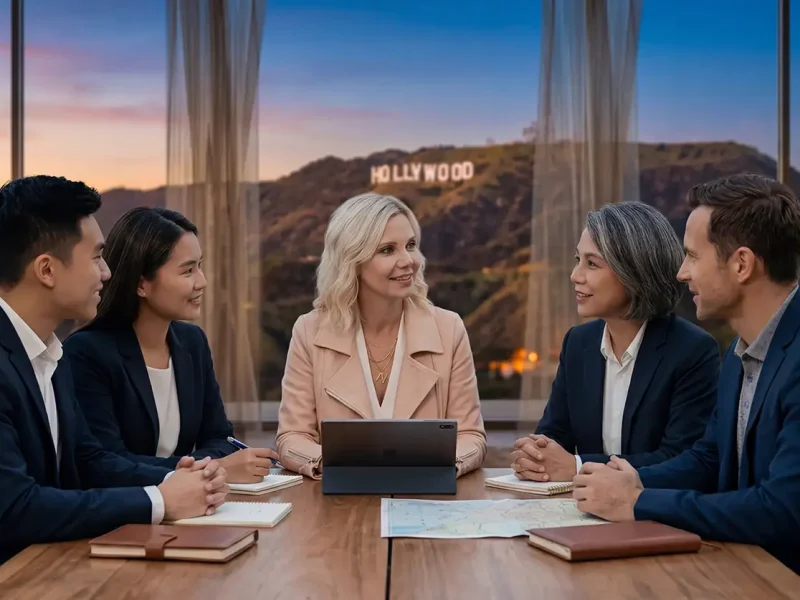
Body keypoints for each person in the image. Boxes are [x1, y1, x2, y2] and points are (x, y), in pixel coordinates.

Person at [573, 174, 800, 574]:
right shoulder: (739, 352)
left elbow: (781, 509)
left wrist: (637, 502)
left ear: (741, 264)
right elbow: (709, 458)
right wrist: (629, 479)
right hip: (747, 568)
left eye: (692, 256)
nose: (681, 273)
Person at [0, 176, 228, 564]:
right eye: (96, 258)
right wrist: (158, 500)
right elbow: (14, 508)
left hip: (52, 566)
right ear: (47, 270)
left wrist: (180, 479)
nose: (107, 273)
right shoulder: (62, 354)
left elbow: (89, 461)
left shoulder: (46, 355)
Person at [276, 192, 487, 478]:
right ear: (352, 260)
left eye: (410, 246)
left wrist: (436, 465)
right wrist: (338, 464)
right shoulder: (309, 331)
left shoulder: (448, 329)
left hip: (426, 501)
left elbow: (472, 437)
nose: (408, 261)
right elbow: (292, 437)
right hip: (339, 505)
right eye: (387, 250)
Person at [63, 207, 279, 483]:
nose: (202, 282)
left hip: (189, 509)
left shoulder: (192, 342)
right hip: (125, 515)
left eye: (200, 266)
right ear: (142, 283)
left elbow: (220, 437)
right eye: (187, 271)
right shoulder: (87, 353)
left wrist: (207, 468)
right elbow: (105, 463)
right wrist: (215, 469)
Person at [511, 202, 720, 483]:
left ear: (634, 272)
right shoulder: (578, 343)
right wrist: (534, 454)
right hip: (583, 513)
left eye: (592, 264)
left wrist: (577, 465)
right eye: (577, 260)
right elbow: (554, 435)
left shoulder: (692, 350)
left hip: (652, 516)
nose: (575, 276)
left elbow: (679, 459)